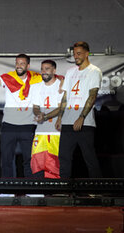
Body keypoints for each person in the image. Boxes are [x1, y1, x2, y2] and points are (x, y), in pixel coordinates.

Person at [0, 54, 42, 177]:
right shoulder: (9, 77)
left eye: (22, 63)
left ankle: (30, 189)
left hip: (28, 125)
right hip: (9, 125)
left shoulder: (37, 79)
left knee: (29, 160)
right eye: (17, 63)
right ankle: (7, 189)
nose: (19, 66)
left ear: (28, 65)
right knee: (6, 159)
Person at [55, 41, 102, 178]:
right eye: (75, 54)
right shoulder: (70, 72)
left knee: (89, 158)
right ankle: (64, 190)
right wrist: (59, 117)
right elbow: (65, 96)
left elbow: (92, 96)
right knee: (63, 157)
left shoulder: (94, 71)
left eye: (79, 53)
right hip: (67, 121)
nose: (76, 56)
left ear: (87, 54)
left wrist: (81, 117)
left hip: (85, 123)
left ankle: (97, 190)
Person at [31, 60, 64, 178]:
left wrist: (45, 116)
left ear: (54, 70)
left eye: (47, 69)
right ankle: (39, 190)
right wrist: (38, 114)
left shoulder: (61, 86)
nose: (44, 72)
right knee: (37, 161)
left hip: (56, 131)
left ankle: (56, 191)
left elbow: (61, 108)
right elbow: (35, 106)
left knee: (54, 162)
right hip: (40, 130)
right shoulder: (36, 87)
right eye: (42, 69)